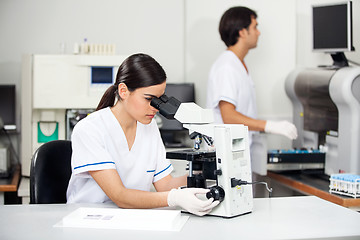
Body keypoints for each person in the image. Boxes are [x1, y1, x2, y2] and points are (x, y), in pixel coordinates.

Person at [66, 53, 219, 216]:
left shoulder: (149, 127)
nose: (156, 107)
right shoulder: (90, 129)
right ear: (123, 91)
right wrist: (174, 198)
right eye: (149, 99)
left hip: (132, 217)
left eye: (160, 99)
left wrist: (203, 171)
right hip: (89, 220)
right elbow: (120, 196)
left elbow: (165, 186)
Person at [206, 6, 297, 150]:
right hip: (226, 154)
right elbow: (228, 116)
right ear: (242, 32)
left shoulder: (238, 64)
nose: (258, 32)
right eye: (255, 27)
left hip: (238, 152)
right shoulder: (227, 67)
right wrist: (269, 126)